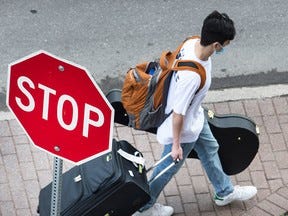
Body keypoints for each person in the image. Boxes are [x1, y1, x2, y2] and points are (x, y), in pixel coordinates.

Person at [133, 10, 257, 216]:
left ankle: (224, 191)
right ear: (217, 45)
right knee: (168, 166)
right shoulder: (191, 76)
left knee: (210, 148)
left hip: (195, 116)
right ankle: (143, 206)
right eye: (226, 44)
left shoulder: (193, 42)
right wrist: (175, 145)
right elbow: (178, 114)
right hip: (184, 127)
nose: (226, 48)